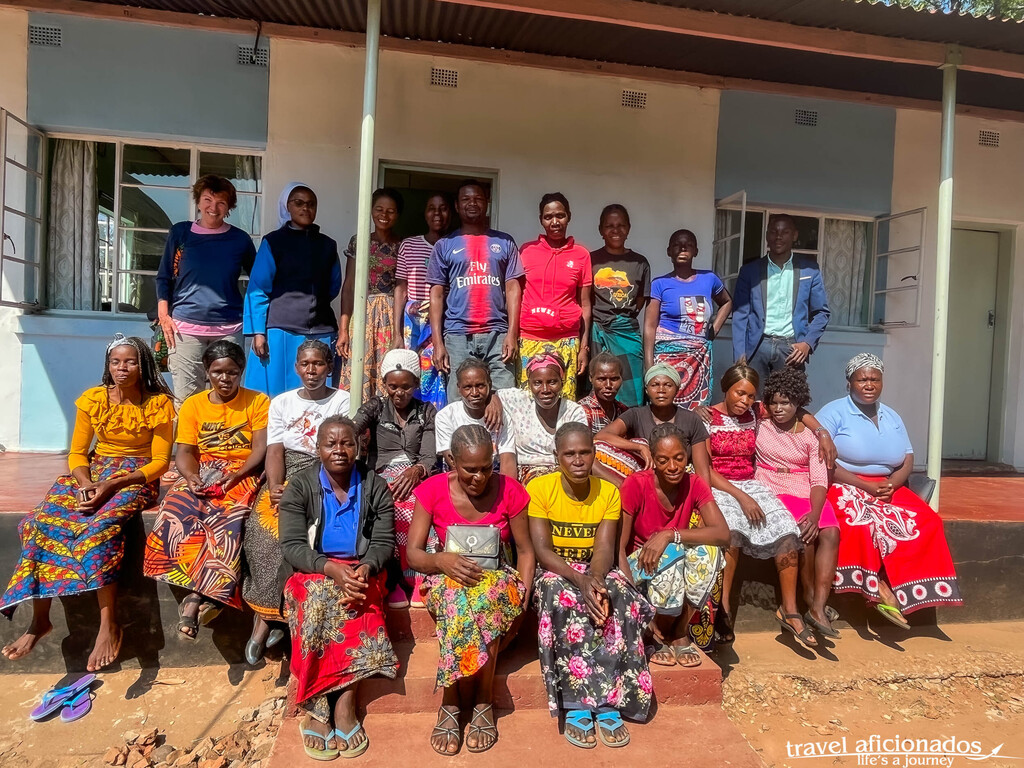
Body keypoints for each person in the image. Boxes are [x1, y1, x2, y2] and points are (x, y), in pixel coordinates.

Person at [1, 335, 175, 671]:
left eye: (130, 362)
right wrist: (85, 483)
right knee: (38, 523)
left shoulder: (158, 404)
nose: (122, 369)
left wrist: (112, 485)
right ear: (107, 366)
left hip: (134, 478)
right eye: (115, 362)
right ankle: (40, 620)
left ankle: (108, 624)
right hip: (92, 473)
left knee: (98, 531)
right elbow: (78, 453)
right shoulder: (93, 400)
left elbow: (159, 462)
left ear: (143, 365)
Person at [407, 425, 536, 755]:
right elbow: (413, 554)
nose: (479, 477)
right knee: (457, 597)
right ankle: (456, 696)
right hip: (445, 576)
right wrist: (444, 562)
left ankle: (479, 698)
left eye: (486, 468)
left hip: (497, 579)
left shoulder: (511, 490)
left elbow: (525, 551)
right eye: (469, 469)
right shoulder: (432, 490)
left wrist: (523, 594)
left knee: (485, 597)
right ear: (451, 460)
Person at [278, 416, 399, 760]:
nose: (339, 450)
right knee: (317, 600)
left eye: (347, 443)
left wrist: (364, 568)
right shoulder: (300, 486)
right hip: (311, 570)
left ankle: (346, 702)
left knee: (358, 602)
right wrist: (329, 568)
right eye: (330, 444)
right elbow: (291, 545)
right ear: (318, 449)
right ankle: (317, 707)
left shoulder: (374, 485)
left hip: (362, 570)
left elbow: (383, 541)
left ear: (358, 447)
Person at [529, 423, 654, 750]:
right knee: (563, 595)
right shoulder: (540, 489)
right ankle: (576, 703)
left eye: (585, 452)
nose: (578, 460)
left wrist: (595, 580)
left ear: (594, 454)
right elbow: (543, 551)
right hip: (556, 571)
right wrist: (580, 580)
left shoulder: (609, 492)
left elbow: (603, 549)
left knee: (619, 595)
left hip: (595, 568)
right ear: (557, 458)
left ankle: (610, 699)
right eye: (569, 454)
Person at [816, 354, 962, 628]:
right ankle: (879, 590)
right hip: (845, 483)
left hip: (888, 484)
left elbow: (908, 457)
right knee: (861, 523)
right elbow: (822, 460)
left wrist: (893, 483)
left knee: (928, 522)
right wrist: (865, 486)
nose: (869, 384)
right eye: (862, 379)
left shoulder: (891, 415)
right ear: (849, 383)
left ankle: (912, 593)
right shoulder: (833, 412)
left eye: (874, 379)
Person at [143, 341, 269, 640]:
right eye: (217, 372)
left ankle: (196, 600)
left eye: (232, 372)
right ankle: (200, 596)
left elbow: (260, 448)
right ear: (207, 372)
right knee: (176, 511)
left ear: (241, 372)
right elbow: (185, 452)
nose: (225, 379)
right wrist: (190, 477)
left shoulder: (258, 401)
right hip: (205, 470)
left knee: (228, 519)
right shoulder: (193, 405)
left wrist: (238, 474)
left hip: (244, 471)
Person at [704, 363, 833, 650]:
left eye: (750, 396)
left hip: (752, 484)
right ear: (725, 388)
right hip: (721, 485)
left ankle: (791, 610)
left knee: (788, 531)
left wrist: (822, 432)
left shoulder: (756, 412)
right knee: (732, 534)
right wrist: (741, 496)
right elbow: (705, 468)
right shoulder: (707, 418)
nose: (744, 401)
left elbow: (795, 408)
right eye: (739, 394)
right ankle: (723, 610)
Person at [242, 340, 351, 665]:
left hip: (325, 473)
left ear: (329, 366)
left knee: (297, 534)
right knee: (262, 533)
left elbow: (338, 451)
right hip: (286, 470)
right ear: (296, 367)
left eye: (318, 364)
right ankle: (268, 617)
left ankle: (271, 622)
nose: (311, 370)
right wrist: (275, 486)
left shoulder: (342, 400)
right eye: (305, 364)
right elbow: (275, 449)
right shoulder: (282, 403)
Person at [619, 424, 731, 666]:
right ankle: (654, 633)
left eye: (679, 458)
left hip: (672, 560)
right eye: (663, 460)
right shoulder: (636, 484)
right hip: (636, 570)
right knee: (671, 554)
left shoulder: (695, 483)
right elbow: (618, 547)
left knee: (710, 553)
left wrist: (670, 534)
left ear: (687, 455)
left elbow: (722, 534)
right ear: (653, 459)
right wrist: (634, 601)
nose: (672, 467)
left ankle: (680, 630)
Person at [755, 368, 841, 639]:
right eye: (774, 402)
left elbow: (818, 480)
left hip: (805, 488)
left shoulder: (809, 436)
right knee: (805, 535)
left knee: (830, 531)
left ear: (798, 403)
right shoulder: (760, 421)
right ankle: (808, 597)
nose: (779, 409)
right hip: (772, 485)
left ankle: (818, 607)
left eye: (787, 403)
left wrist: (816, 513)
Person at [156, 174, 257, 405]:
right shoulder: (181, 233)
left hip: (229, 329)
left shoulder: (240, 240)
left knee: (227, 397)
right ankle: (188, 443)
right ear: (198, 201)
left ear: (229, 207)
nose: (213, 207)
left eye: (221, 202)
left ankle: (224, 442)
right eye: (207, 200)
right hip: (185, 329)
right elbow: (163, 277)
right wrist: (164, 315)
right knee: (186, 400)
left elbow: (259, 281)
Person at [352, 348, 436, 608]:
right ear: (384, 384)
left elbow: (430, 457)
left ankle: (418, 580)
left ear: (416, 384)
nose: (399, 393)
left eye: (406, 387)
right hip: (381, 475)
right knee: (391, 509)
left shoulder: (426, 412)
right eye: (393, 387)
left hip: (417, 475)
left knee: (421, 508)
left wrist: (416, 471)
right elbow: (352, 427)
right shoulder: (376, 407)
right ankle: (395, 581)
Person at [428, 180, 524, 403]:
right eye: (466, 199)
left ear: (487, 203)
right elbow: (437, 294)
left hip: (498, 334)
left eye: (478, 198)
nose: (472, 203)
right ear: (457, 205)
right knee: (459, 403)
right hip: (457, 335)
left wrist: (512, 333)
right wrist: (438, 342)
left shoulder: (505, 242)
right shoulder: (444, 245)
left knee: (505, 400)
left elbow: (512, 289)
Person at [243, 182, 341, 398]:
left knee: (318, 396)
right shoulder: (274, 242)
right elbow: (258, 288)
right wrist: (259, 332)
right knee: (275, 395)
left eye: (311, 204)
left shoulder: (327, 245)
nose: (305, 208)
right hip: (280, 331)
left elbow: (333, 285)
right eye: (299, 203)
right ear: (288, 207)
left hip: (321, 330)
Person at [731, 214, 830, 388]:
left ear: (795, 236)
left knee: (788, 403)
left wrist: (807, 344)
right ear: (767, 235)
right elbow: (740, 314)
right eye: (773, 231)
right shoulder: (750, 271)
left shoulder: (809, 270)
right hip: (757, 347)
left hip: (791, 349)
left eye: (785, 232)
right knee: (754, 404)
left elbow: (821, 312)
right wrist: (740, 353)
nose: (778, 236)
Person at [645, 229, 732, 409]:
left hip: (698, 358)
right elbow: (649, 326)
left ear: (696, 251)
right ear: (669, 251)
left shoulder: (709, 279)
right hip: (666, 358)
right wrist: (649, 366)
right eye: (677, 245)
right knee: (664, 408)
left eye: (688, 245)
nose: (683, 248)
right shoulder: (660, 284)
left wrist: (713, 330)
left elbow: (727, 302)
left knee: (697, 412)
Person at [518, 193, 593, 399]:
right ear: (541, 220)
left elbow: (585, 304)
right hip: (529, 338)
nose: (554, 222)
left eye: (560, 215)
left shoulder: (581, 255)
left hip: (566, 340)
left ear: (569, 217)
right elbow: (515, 295)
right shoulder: (526, 251)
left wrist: (583, 347)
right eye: (548, 217)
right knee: (528, 401)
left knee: (563, 402)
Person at [593, 364, 711, 487]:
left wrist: (703, 499)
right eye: (654, 385)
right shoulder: (635, 414)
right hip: (645, 484)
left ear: (677, 389)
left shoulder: (691, 419)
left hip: (679, 482)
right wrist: (639, 447)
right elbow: (602, 436)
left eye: (668, 385)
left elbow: (702, 469)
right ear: (646, 389)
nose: (661, 390)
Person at [337, 188, 404, 402]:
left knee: (389, 368)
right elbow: (349, 286)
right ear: (371, 211)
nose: (384, 215)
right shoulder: (359, 241)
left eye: (391, 211)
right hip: (363, 313)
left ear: (398, 214)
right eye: (379, 209)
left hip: (391, 315)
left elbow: (403, 287)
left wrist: (398, 331)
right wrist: (343, 330)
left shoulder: (403, 245)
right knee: (359, 368)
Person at [393, 192, 452, 410]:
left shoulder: (454, 245)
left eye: (443, 208)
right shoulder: (409, 245)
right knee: (410, 372)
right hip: (413, 324)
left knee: (438, 371)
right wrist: (397, 333)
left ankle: (436, 423)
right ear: (424, 213)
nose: (437, 213)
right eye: (431, 208)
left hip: (444, 320)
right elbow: (400, 289)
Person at [589, 204, 651, 408]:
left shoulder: (639, 263)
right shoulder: (591, 260)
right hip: (598, 330)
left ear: (629, 228)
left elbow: (641, 299)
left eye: (621, 225)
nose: (615, 230)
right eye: (609, 225)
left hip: (627, 332)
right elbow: (585, 298)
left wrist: (621, 318)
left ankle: (630, 430)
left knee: (630, 387)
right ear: (600, 230)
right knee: (600, 384)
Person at [495, 352, 587, 484]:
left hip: (564, 475)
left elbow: (578, 453)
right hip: (526, 478)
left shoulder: (573, 412)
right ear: (529, 384)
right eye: (537, 383)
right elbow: (492, 394)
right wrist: (493, 400)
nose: (545, 389)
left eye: (552, 382)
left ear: (562, 382)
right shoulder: (518, 400)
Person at [435, 357, 517, 477]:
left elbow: (507, 462)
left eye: (480, 386)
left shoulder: (502, 416)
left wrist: (506, 494)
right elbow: (454, 465)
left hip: (494, 476)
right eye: (467, 387)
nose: (474, 393)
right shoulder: (445, 417)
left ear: (490, 385)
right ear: (459, 388)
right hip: (462, 478)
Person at [577, 352, 628, 435]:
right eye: (602, 379)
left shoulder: (623, 411)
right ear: (591, 378)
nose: (608, 385)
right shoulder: (582, 411)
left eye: (614, 379)